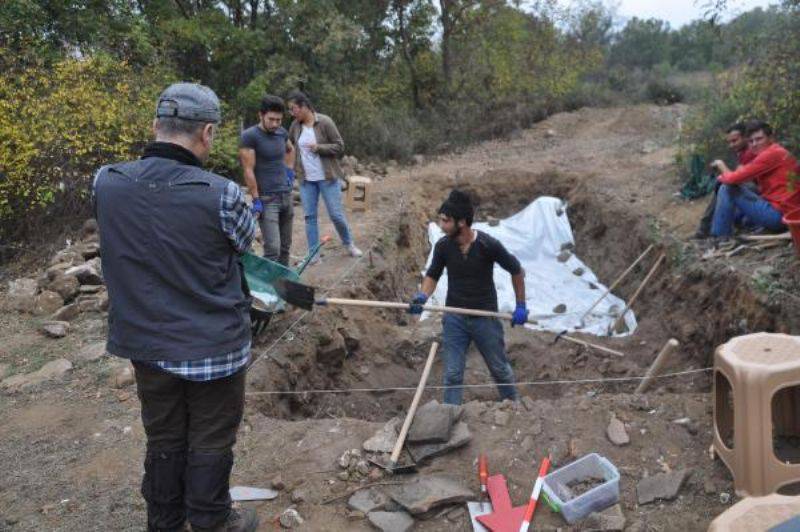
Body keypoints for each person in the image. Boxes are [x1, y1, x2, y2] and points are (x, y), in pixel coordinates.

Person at [93, 83, 259, 532]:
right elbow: (245, 246)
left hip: (144, 343)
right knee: (210, 438)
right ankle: (210, 521)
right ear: (207, 132)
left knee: (164, 436)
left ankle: (164, 521)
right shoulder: (223, 194)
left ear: (154, 127)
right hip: (214, 346)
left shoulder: (106, 181)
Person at [407, 190, 528, 405]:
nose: (441, 225)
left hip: (485, 318)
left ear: (462, 222)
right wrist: (422, 296)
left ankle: (514, 407)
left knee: (499, 369)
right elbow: (433, 275)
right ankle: (450, 414)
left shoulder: (487, 245)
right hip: (455, 318)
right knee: (453, 374)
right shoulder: (443, 246)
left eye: (446, 221)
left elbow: (516, 270)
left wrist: (520, 306)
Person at [286, 91, 362, 260]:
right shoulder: (295, 126)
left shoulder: (325, 122)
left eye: (293, 109)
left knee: (336, 214)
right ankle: (314, 255)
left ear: (304, 106)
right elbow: (289, 146)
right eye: (290, 110)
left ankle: (349, 244)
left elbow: (339, 146)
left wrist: (319, 147)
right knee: (309, 217)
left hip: (327, 177)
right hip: (306, 180)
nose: (292, 113)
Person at [710, 120, 798, 239]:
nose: (754, 144)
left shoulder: (771, 154)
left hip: (781, 216)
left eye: (759, 139)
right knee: (738, 212)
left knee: (727, 188)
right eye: (751, 141)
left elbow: (732, 179)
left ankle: (719, 238)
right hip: (783, 211)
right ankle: (727, 230)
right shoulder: (775, 151)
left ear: (771, 138)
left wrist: (721, 168)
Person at [239, 95, 295, 265]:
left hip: (286, 196)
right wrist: (256, 199)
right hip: (267, 200)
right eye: (271, 119)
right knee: (273, 250)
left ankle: (283, 286)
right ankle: (264, 289)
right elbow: (248, 169)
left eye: (279, 120)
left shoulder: (281, 133)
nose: (275, 124)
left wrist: (289, 173)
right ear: (260, 115)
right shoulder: (250, 136)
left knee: (285, 248)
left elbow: (290, 150)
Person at [694, 123, 757, 238]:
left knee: (723, 184)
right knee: (722, 184)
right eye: (729, 142)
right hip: (754, 190)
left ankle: (707, 228)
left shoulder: (750, 152)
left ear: (745, 138)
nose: (731, 145)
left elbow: (736, 179)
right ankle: (708, 227)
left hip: (761, 191)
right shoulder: (743, 153)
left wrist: (720, 165)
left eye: (734, 141)